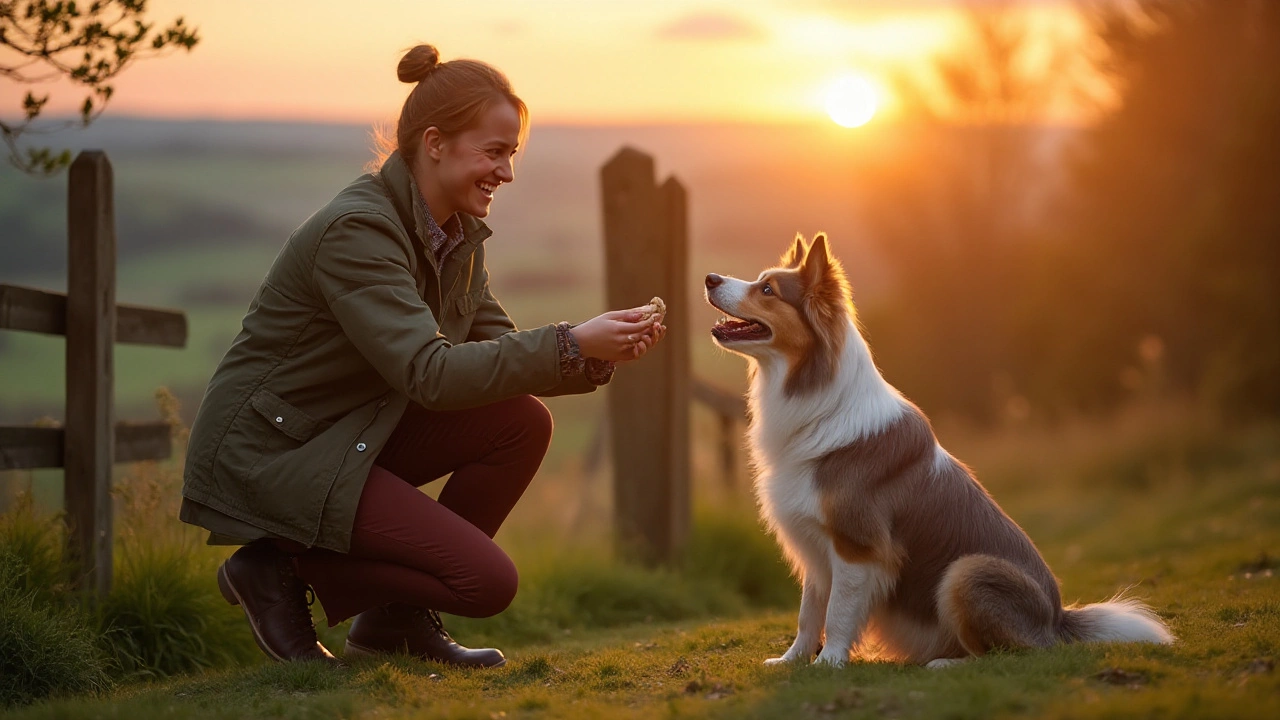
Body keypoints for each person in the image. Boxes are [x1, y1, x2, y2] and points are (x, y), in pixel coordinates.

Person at [179, 43, 666, 667]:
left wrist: (597, 352)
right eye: (494, 153)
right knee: (487, 584)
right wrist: (572, 342)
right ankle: (277, 570)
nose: (507, 173)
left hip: (351, 431)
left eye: (511, 154)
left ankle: (393, 625)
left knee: (519, 422)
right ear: (434, 143)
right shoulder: (359, 231)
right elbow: (429, 374)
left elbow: (493, 349)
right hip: (278, 449)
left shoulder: (456, 236)